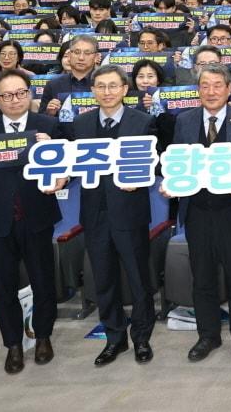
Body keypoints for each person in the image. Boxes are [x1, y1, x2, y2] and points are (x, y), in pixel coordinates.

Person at [162, 64, 231, 364]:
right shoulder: (184, 120)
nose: (211, 91)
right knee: (202, 277)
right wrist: (172, 182)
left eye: (218, 85)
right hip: (198, 212)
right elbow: (177, 160)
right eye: (205, 85)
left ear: (229, 89)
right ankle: (207, 335)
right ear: (198, 90)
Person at [0, 69, 65, 374]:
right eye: (7, 95)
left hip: (36, 216)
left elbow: (68, 168)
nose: (15, 100)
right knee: (3, 288)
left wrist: (53, 152)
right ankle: (12, 344)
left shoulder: (48, 125)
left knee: (43, 282)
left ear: (30, 94)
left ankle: (44, 337)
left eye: (21, 93)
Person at [72, 66, 158, 367]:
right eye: (100, 86)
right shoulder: (80, 124)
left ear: (125, 89)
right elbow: (72, 165)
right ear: (93, 91)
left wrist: (142, 179)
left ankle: (142, 337)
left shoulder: (143, 122)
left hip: (129, 212)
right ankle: (114, 338)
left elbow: (154, 166)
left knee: (138, 278)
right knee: (103, 279)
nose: (107, 91)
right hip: (94, 214)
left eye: (113, 86)